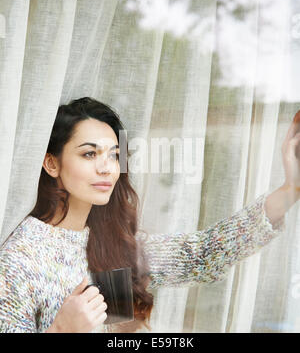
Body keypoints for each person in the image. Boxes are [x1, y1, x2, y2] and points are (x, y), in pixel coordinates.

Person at [0, 97, 300, 333]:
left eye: (114, 155)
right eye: (89, 154)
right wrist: (61, 330)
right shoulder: (20, 258)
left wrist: (291, 189)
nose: (106, 168)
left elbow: (202, 253)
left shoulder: (111, 242)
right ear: (52, 164)